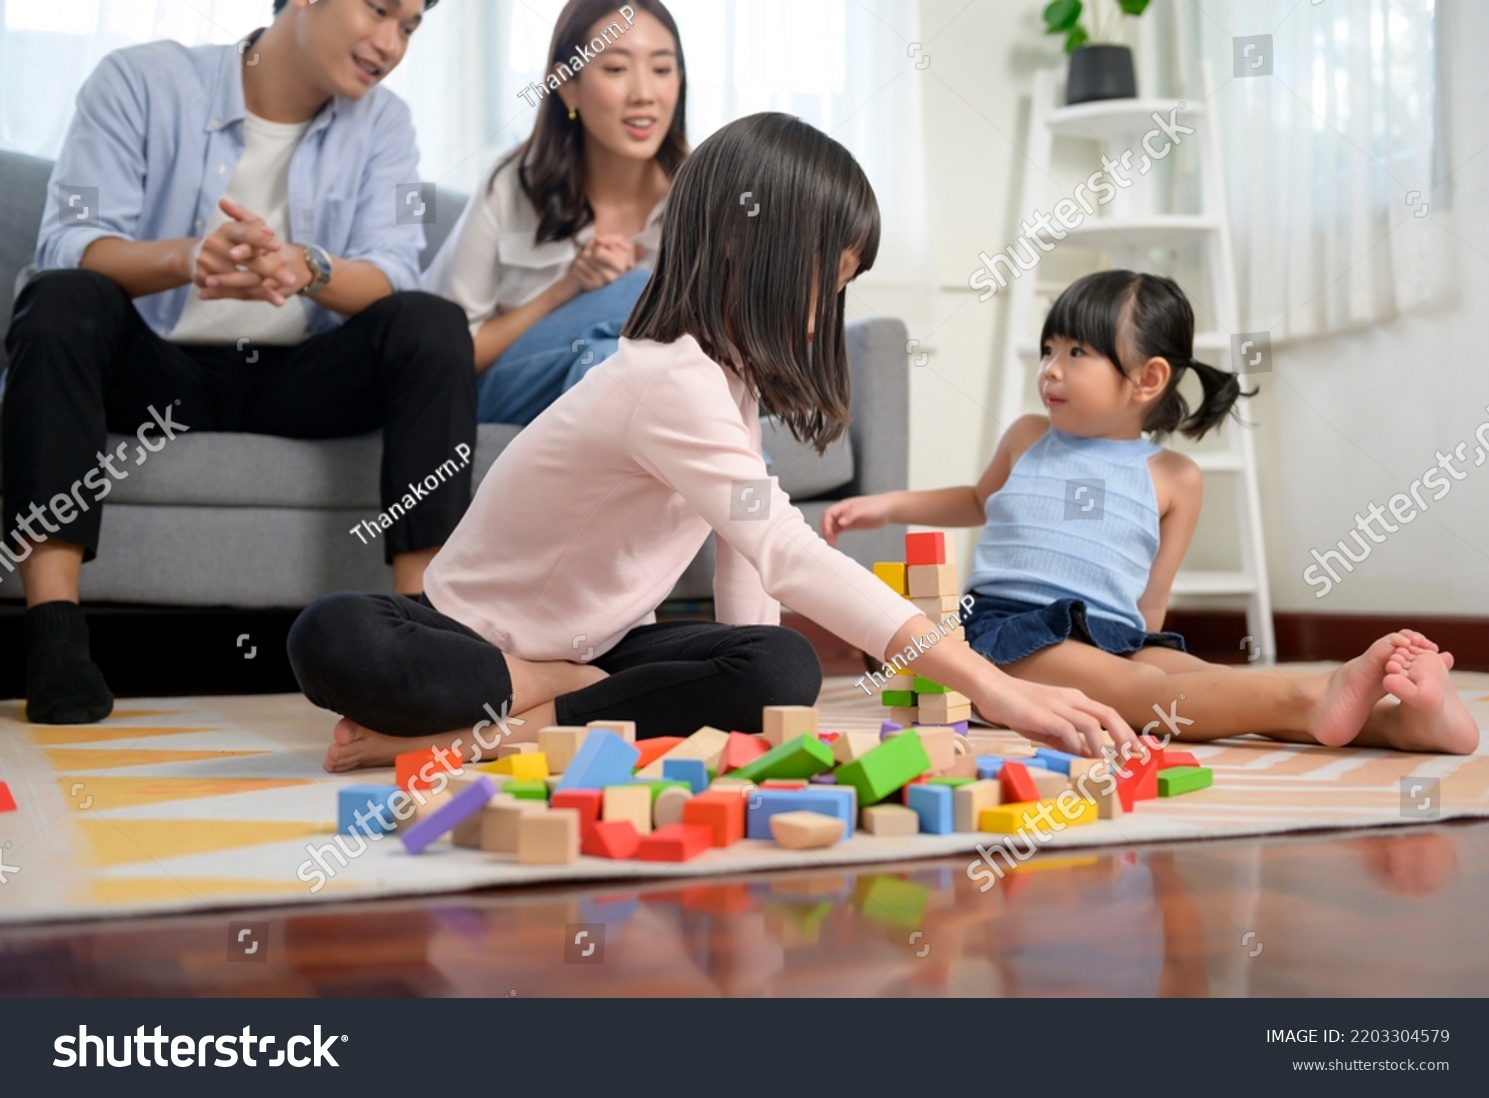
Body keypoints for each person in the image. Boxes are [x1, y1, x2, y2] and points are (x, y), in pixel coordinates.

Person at [288, 112, 1137, 773]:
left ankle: (500, 730)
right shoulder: (668, 381)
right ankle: (554, 697)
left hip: (600, 648)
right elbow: (789, 554)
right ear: (745, 244)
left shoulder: (729, 384)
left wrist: (758, 723)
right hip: (472, 638)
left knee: (778, 667)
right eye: (822, 280)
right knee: (334, 638)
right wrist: (993, 690)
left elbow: (748, 563)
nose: (821, 313)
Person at [1, 0, 476, 725]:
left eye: (410, 26)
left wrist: (307, 266)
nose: (391, 43)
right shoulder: (138, 80)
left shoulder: (387, 123)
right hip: (159, 371)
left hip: (300, 381)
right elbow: (69, 240)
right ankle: (55, 639)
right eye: (380, 11)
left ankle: (418, 635)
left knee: (433, 324)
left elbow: (393, 274)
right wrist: (188, 257)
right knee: (60, 298)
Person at [823, 270, 1478, 755]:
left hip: (1114, 628)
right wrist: (884, 505)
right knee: (1136, 697)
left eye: (1076, 353)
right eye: (1049, 350)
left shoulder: (1174, 477)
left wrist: (1148, 653)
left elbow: (1153, 601)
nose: (1051, 370)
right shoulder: (1027, 437)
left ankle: (1404, 724)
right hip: (1013, 628)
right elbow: (973, 501)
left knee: (1194, 680)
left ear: (1148, 379)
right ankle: (1314, 694)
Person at [422, 0, 687, 425]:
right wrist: (570, 288)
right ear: (567, 86)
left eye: (661, 69)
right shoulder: (512, 185)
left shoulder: (701, 195)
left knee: (607, 360)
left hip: (617, 389)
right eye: (616, 69)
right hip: (507, 389)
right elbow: (446, 354)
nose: (644, 94)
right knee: (640, 292)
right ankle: (747, 485)